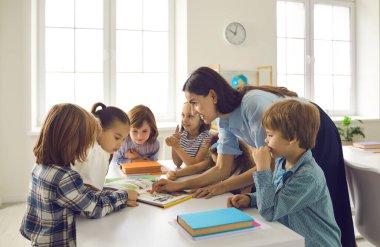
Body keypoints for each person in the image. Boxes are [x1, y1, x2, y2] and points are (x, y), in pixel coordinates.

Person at [152, 67, 355, 247]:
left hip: (315, 128)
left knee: (326, 203)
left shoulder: (253, 104)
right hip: (291, 141)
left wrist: (219, 187)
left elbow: (267, 162)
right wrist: (178, 186)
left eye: (194, 103)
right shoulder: (223, 120)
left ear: (212, 96)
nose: (194, 110)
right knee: (290, 199)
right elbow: (222, 169)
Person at [20, 103, 139, 246]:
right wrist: (124, 196)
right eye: (87, 141)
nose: (89, 146)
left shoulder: (40, 167)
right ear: (71, 141)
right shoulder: (64, 177)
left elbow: (83, 195)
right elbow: (96, 208)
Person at [227, 99, 341, 246]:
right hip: (293, 239)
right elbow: (276, 195)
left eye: (270, 135)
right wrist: (250, 199)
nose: (265, 140)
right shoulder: (282, 162)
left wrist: (263, 168)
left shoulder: (308, 176)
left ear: (292, 138)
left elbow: (270, 211)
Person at [167, 134, 255, 194]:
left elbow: (243, 196)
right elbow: (196, 168)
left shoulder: (246, 170)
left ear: (235, 156)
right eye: (215, 162)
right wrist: (176, 174)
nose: (218, 165)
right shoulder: (213, 162)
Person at [71, 102, 130, 191]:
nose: (120, 144)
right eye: (117, 137)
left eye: (124, 139)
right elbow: (92, 194)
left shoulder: (101, 151)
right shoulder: (94, 152)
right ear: (99, 129)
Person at [166, 102, 211, 168]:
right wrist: (174, 143)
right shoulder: (183, 135)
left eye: (190, 116)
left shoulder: (206, 138)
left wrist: (176, 146)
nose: (184, 120)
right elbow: (178, 163)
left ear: (201, 120)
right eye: (183, 115)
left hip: (202, 175)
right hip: (190, 174)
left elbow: (194, 166)